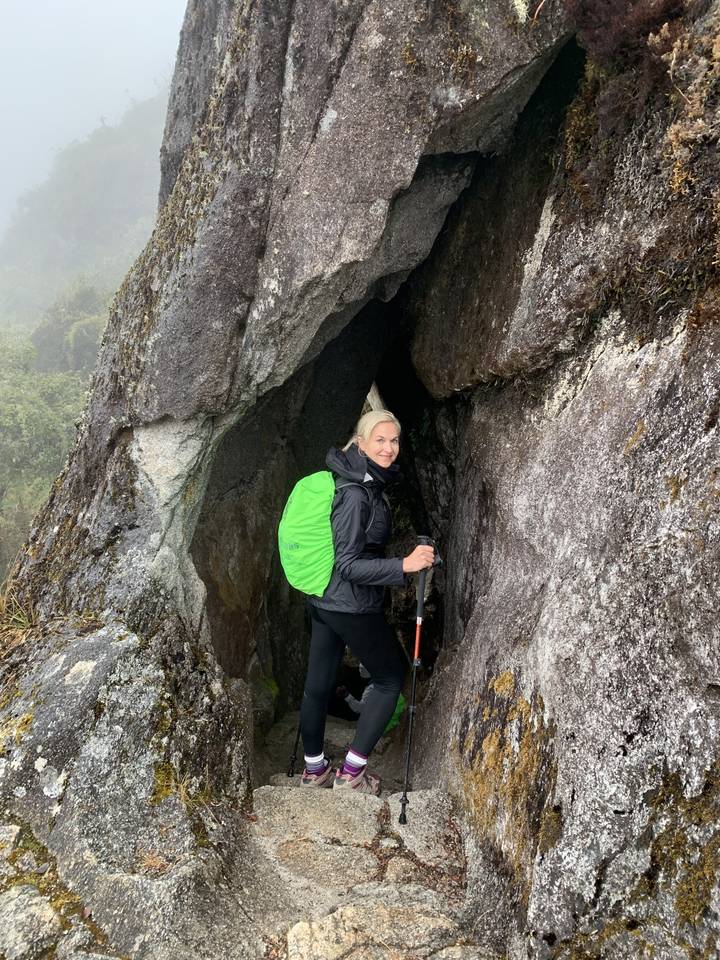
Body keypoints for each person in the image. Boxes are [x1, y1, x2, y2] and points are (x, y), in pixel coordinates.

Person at [299, 409, 435, 794]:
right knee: (391, 678)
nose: (389, 449)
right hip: (349, 604)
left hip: (323, 600)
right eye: (380, 440)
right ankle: (351, 773)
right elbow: (348, 564)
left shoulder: (359, 481)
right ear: (361, 443)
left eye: (394, 441)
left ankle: (314, 770)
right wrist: (404, 565)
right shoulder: (357, 494)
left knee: (317, 684)